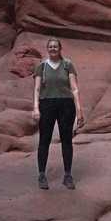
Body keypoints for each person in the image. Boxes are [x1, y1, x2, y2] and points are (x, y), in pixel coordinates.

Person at [32, 37, 84, 189]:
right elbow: (36, 89)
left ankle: (68, 175)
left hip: (66, 104)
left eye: (56, 46)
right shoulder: (41, 66)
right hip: (46, 104)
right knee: (44, 139)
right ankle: (41, 174)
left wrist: (79, 110)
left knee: (66, 139)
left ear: (60, 49)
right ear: (47, 49)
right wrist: (35, 108)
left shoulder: (68, 65)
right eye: (51, 46)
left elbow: (74, 88)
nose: (53, 49)